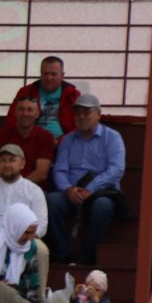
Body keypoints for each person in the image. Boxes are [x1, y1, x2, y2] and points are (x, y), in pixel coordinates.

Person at [46, 92, 125, 266]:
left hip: (100, 191)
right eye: (78, 113)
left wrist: (91, 188)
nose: (82, 117)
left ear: (98, 114)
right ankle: (62, 252)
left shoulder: (112, 138)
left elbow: (116, 169)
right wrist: (68, 189)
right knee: (51, 201)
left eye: (87, 112)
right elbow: (59, 170)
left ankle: (87, 255)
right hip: (72, 191)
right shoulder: (67, 140)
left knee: (102, 206)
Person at [0, 143, 49, 239]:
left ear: (22, 164)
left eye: (12, 160)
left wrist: (24, 237)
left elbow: (41, 224)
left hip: (25, 239)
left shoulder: (34, 191)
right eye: (3, 160)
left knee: (42, 252)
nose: (7, 165)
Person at [0, 95, 57, 187]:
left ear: (37, 114)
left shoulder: (46, 137)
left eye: (30, 110)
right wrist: (7, 189)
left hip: (34, 189)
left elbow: (41, 173)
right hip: (3, 187)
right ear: (15, 112)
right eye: (21, 109)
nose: (25, 113)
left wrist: (18, 188)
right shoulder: (1, 135)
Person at [15, 56, 80, 139]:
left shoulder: (72, 95)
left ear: (62, 75)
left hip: (64, 142)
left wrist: (61, 141)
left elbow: (78, 125)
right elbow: (13, 119)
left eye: (53, 74)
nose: (49, 78)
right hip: (31, 140)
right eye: (45, 74)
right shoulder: (26, 92)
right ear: (40, 74)